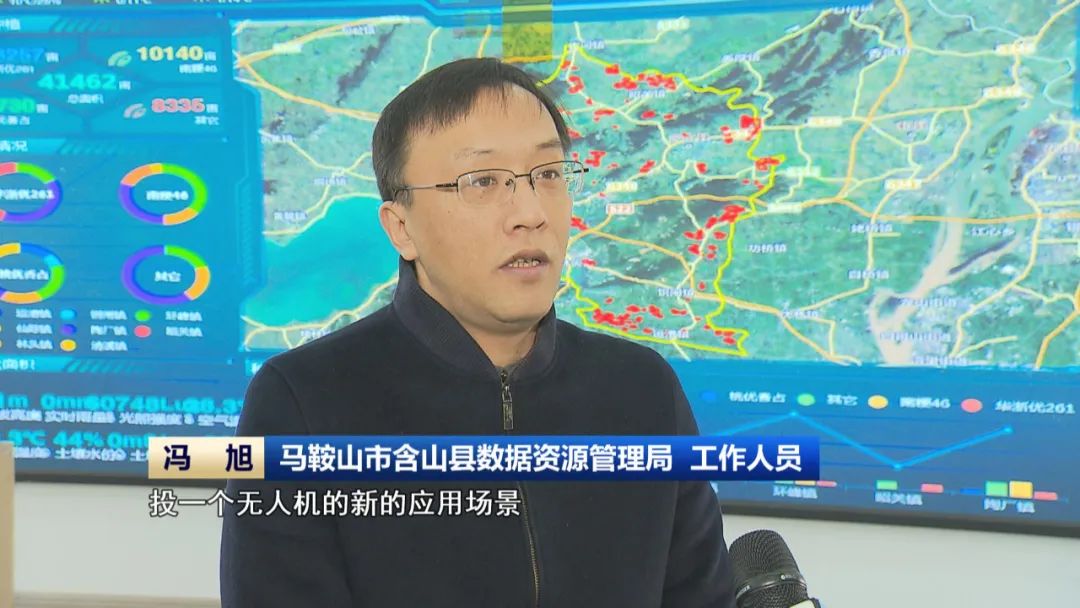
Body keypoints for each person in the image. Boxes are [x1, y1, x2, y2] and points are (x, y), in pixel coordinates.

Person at [220, 56, 737, 607]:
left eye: (549, 174)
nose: (530, 212)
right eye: (484, 181)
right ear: (401, 228)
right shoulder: (303, 404)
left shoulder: (643, 389)